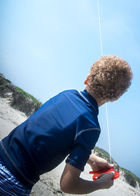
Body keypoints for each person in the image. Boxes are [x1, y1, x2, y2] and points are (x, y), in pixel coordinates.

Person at [0, 55, 133, 195]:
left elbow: (53, 134)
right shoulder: (91, 126)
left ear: (87, 79)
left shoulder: (66, 94)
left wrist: (91, 159)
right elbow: (68, 185)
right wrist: (101, 184)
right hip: (12, 182)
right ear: (114, 98)